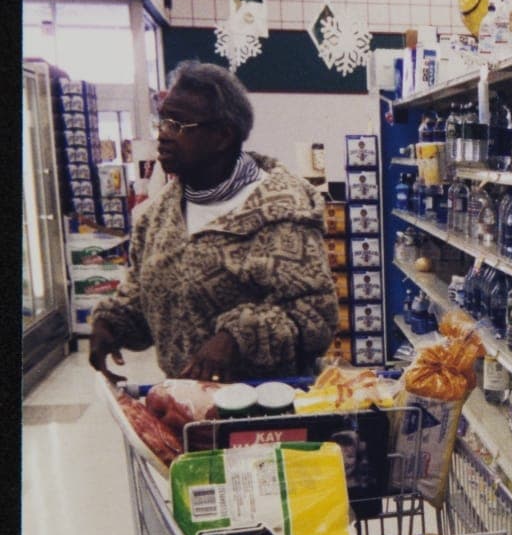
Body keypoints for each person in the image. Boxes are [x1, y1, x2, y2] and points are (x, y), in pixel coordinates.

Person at [89, 61, 339, 381]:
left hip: (265, 412)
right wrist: (111, 323)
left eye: (179, 125)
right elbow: (149, 296)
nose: (163, 135)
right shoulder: (157, 218)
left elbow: (315, 316)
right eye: (163, 122)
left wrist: (238, 339)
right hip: (187, 410)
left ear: (223, 136)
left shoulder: (282, 216)